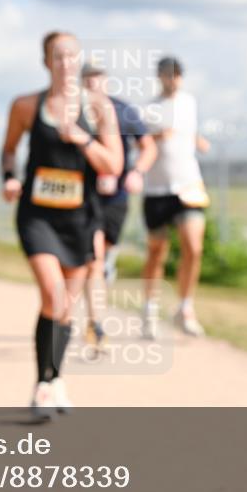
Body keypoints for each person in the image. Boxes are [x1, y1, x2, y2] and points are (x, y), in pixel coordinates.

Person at [1, 31, 123, 419]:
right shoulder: (25, 106)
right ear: (46, 61)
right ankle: (41, 385)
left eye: (72, 55)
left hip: (80, 218)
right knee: (54, 297)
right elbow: (8, 151)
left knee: (66, 307)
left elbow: (113, 165)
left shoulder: (99, 108)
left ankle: (55, 379)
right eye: (58, 56)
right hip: (37, 216)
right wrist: (9, 177)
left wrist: (82, 140)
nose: (66, 62)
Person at [79, 63, 157, 348]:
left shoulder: (124, 111)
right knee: (93, 259)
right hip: (86, 197)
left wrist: (137, 172)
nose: (92, 87)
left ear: (106, 82)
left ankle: (105, 270)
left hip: (117, 197)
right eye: (86, 82)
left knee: (105, 255)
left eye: (96, 81)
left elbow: (148, 146)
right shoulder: (76, 114)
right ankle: (95, 324)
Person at [140, 56, 211, 338]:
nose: (173, 80)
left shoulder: (189, 103)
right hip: (157, 190)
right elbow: (140, 146)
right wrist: (158, 137)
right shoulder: (148, 110)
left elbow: (188, 131)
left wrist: (198, 141)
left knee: (193, 248)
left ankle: (185, 307)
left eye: (177, 75)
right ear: (159, 77)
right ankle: (149, 310)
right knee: (157, 252)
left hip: (188, 187)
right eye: (168, 75)